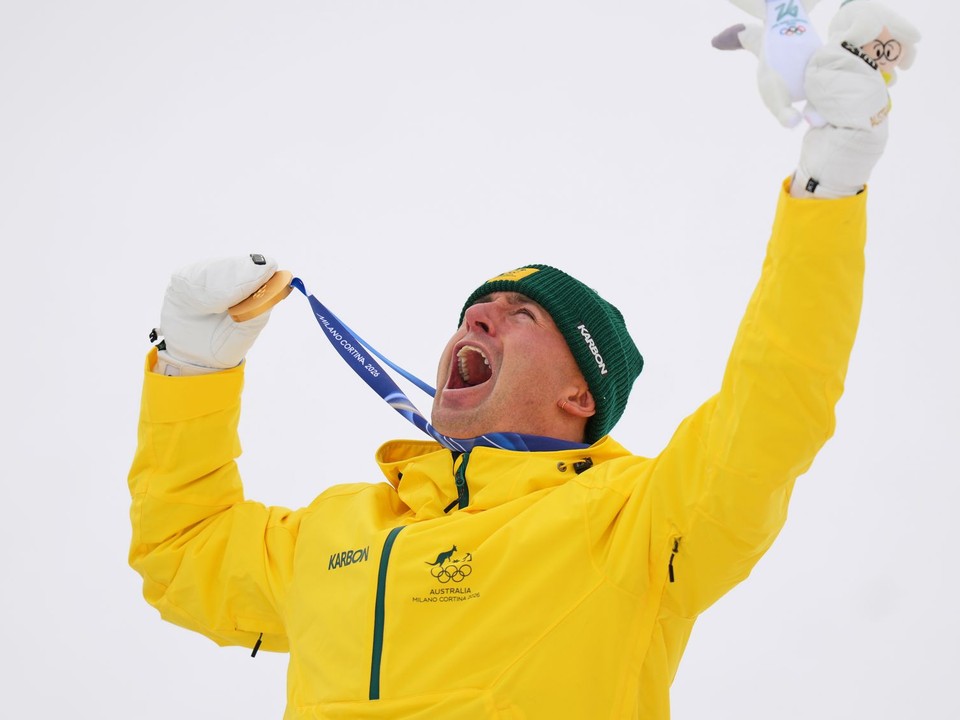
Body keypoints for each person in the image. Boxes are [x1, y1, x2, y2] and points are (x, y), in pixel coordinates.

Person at [127, 11, 916, 719]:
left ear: (582, 388)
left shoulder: (634, 524)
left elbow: (774, 408)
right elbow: (182, 555)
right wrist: (192, 368)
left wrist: (830, 184)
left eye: (521, 315)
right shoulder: (336, 531)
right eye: (473, 311)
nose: (478, 317)